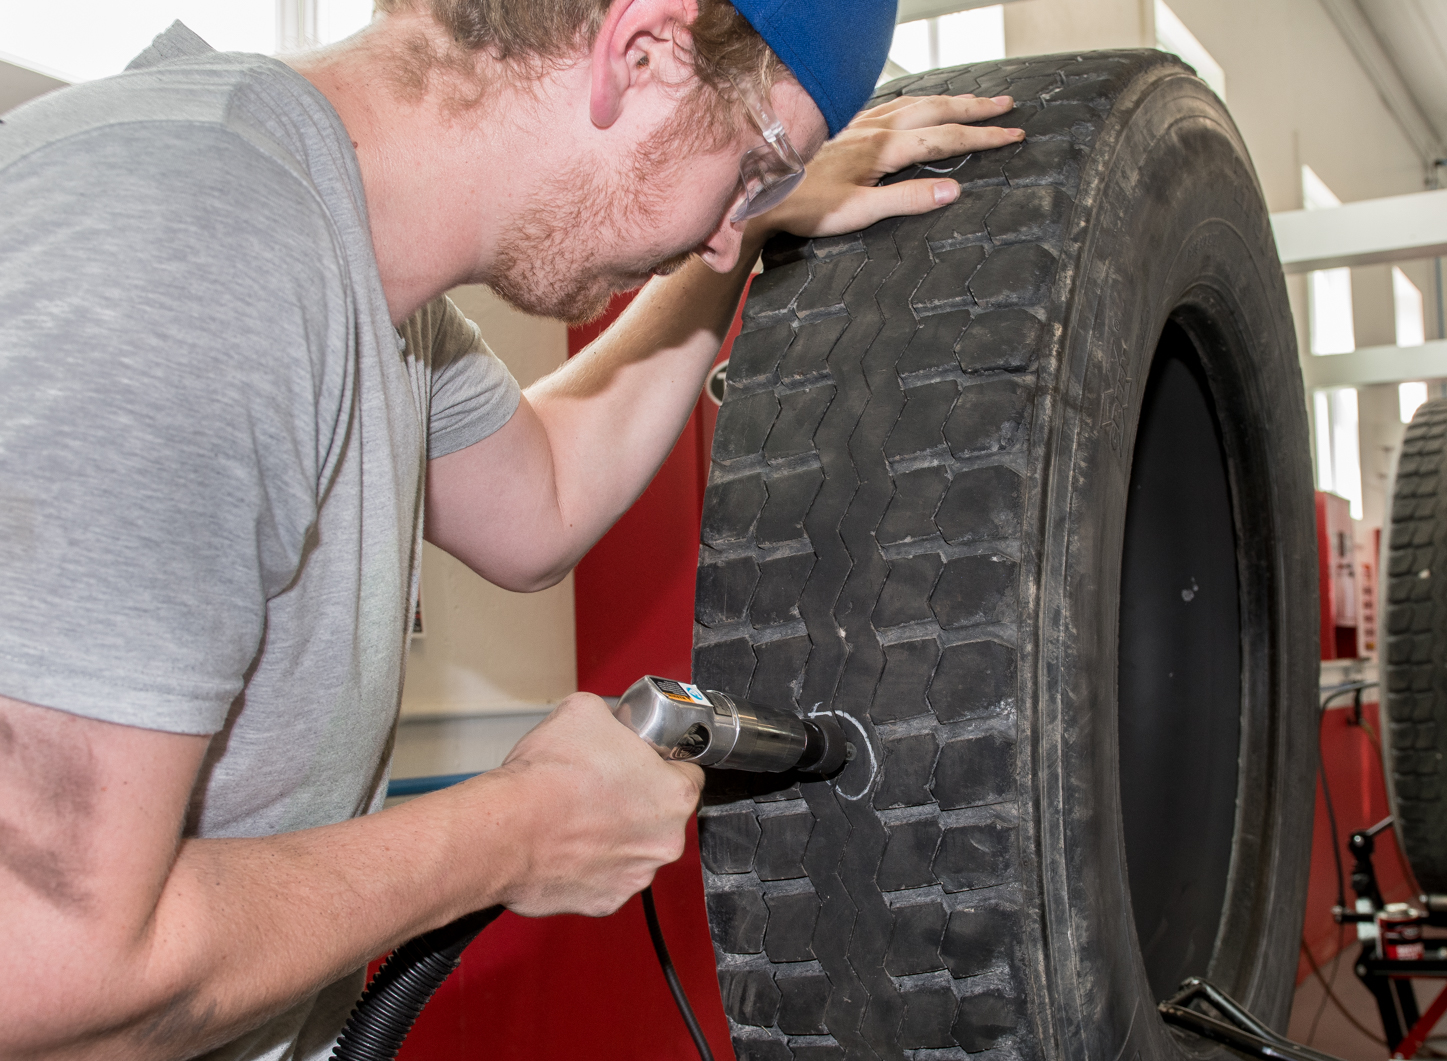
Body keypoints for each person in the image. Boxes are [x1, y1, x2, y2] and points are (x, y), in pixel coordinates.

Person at [0, 0, 1024, 1057]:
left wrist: (754, 224)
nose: (719, 236)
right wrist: (521, 829)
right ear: (640, 49)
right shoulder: (190, 252)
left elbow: (537, 501)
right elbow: (43, 961)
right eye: (758, 168)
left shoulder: (345, 259)